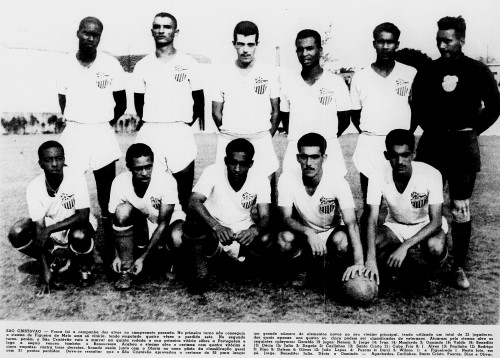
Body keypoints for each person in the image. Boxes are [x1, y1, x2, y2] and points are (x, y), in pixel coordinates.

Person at [411, 16, 500, 289]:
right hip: (432, 146)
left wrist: (470, 131)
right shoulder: (427, 69)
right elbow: (418, 106)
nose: (442, 45)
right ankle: (431, 263)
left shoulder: (478, 70)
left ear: (461, 40)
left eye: (448, 40)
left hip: (463, 148)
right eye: (439, 39)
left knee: (460, 206)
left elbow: (494, 106)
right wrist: (435, 129)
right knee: (426, 205)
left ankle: (459, 267)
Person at [277, 133, 371, 296]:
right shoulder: (287, 178)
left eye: (314, 157)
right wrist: (308, 232)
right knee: (284, 239)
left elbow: (351, 222)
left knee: (342, 241)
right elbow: (285, 218)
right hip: (306, 233)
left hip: (331, 232)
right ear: (298, 158)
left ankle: (333, 269)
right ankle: (303, 267)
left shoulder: (337, 181)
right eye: (304, 157)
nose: (309, 163)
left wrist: (359, 262)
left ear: (324, 158)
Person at [57, 16, 126, 226]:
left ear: (100, 38)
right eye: (86, 33)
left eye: (95, 35)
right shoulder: (65, 63)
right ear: (78, 32)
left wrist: (102, 123)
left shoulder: (111, 64)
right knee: (69, 189)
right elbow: (63, 100)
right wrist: (80, 119)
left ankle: (109, 241)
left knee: (107, 194)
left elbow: (121, 103)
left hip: (101, 132)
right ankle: (74, 239)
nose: (90, 38)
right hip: (74, 132)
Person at [134, 12, 204, 211]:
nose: (161, 30)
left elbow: (199, 100)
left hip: (179, 131)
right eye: (157, 26)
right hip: (151, 130)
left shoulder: (189, 64)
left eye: (167, 26)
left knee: (183, 193)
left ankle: (180, 236)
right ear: (152, 31)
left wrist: (183, 124)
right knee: (148, 191)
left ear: (176, 31)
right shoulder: (142, 65)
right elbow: (139, 103)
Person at [8, 141, 97, 296]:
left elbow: (83, 215)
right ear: (40, 163)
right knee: (17, 232)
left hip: (75, 225)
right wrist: (44, 271)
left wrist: (49, 230)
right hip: (53, 229)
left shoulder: (76, 176)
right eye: (49, 160)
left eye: (58, 159)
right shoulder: (34, 187)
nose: (55, 164)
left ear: (64, 159)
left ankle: (84, 265)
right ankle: (52, 261)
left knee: (80, 235)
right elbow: (39, 230)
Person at [184, 139, 271, 293]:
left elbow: (266, 217)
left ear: (250, 164)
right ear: (225, 160)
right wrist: (216, 226)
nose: (237, 169)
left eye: (243, 164)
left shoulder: (260, 178)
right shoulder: (213, 171)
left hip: (241, 232)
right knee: (193, 224)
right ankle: (202, 269)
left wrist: (254, 231)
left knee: (266, 237)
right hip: (214, 229)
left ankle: (241, 264)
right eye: (232, 162)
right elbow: (193, 201)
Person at [364, 129, 448, 288]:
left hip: (426, 224)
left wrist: (405, 245)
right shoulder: (377, 175)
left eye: (405, 155)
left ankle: (433, 272)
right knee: (372, 244)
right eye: (394, 155)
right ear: (386, 155)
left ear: (414, 154)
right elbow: (371, 218)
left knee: (435, 248)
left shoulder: (431, 174)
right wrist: (370, 260)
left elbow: (436, 221)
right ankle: (397, 266)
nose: (400, 161)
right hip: (396, 225)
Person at [350, 22, 417, 200]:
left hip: (400, 147)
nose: (385, 47)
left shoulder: (410, 73)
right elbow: (355, 114)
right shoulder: (360, 77)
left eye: (390, 42)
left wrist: (405, 136)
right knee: (371, 200)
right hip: (370, 145)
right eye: (381, 42)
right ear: (374, 44)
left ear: (397, 44)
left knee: (402, 199)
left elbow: (416, 109)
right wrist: (373, 132)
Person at [108, 143, 185, 291]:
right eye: (138, 168)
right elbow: (114, 222)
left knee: (177, 237)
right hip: (142, 224)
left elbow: (163, 223)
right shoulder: (119, 182)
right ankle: (126, 269)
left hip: (166, 224)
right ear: (129, 166)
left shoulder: (166, 180)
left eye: (148, 167)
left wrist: (143, 257)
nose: (144, 173)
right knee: (122, 210)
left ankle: (170, 261)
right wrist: (116, 255)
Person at [212, 21, 280, 179]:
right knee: (226, 188)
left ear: (257, 44)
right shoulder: (221, 72)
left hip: (260, 138)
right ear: (234, 44)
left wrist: (264, 136)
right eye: (240, 44)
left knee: (266, 189)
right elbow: (216, 112)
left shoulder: (269, 72)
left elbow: (276, 111)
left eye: (250, 44)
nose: (245, 50)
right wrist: (232, 131)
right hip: (229, 139)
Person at [279, 29, 351, 176]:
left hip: (328, 149)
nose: (305, 54)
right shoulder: (288, 84)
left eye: (310, 48)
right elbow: (285, 119)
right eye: (300, 49)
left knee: (332, 194)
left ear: (320, 50)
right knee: (294, 193)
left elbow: (344, 120)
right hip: (296, 150)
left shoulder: (336, 82)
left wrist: (324, 139)